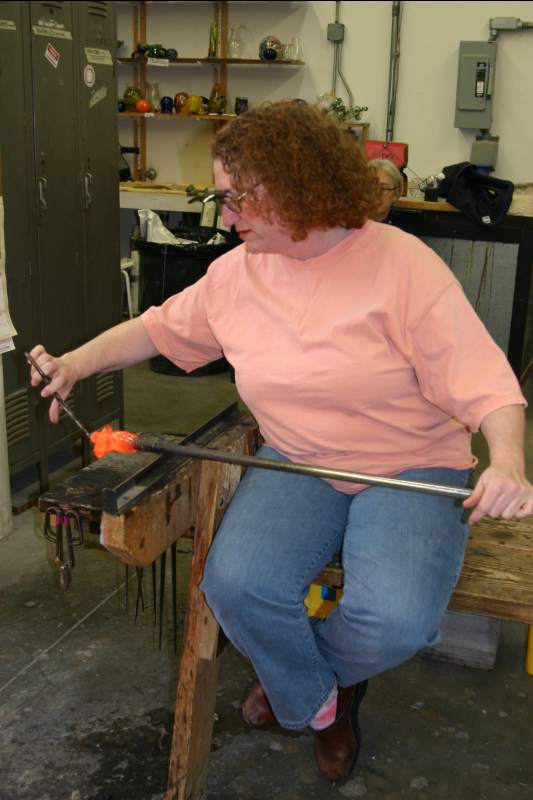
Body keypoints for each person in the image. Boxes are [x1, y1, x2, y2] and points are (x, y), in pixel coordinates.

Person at [29, 101, 532, 783]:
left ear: (297, 191)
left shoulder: (400, 268)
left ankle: (314, 678)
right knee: (235, 585)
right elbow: (156, 329)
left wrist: (506, 462)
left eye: (237, 198)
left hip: (410, 463)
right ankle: (321, 704)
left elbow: (488, 385)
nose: (225, 214)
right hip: (297, 457)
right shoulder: (238, 273)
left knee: (395, 621)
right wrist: (73, 364)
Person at [367, 157, 403, 222]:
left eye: (383, 188)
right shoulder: (351, 224)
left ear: (396, 194)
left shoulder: (406, 229)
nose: (376, 193)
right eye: (371, 187)